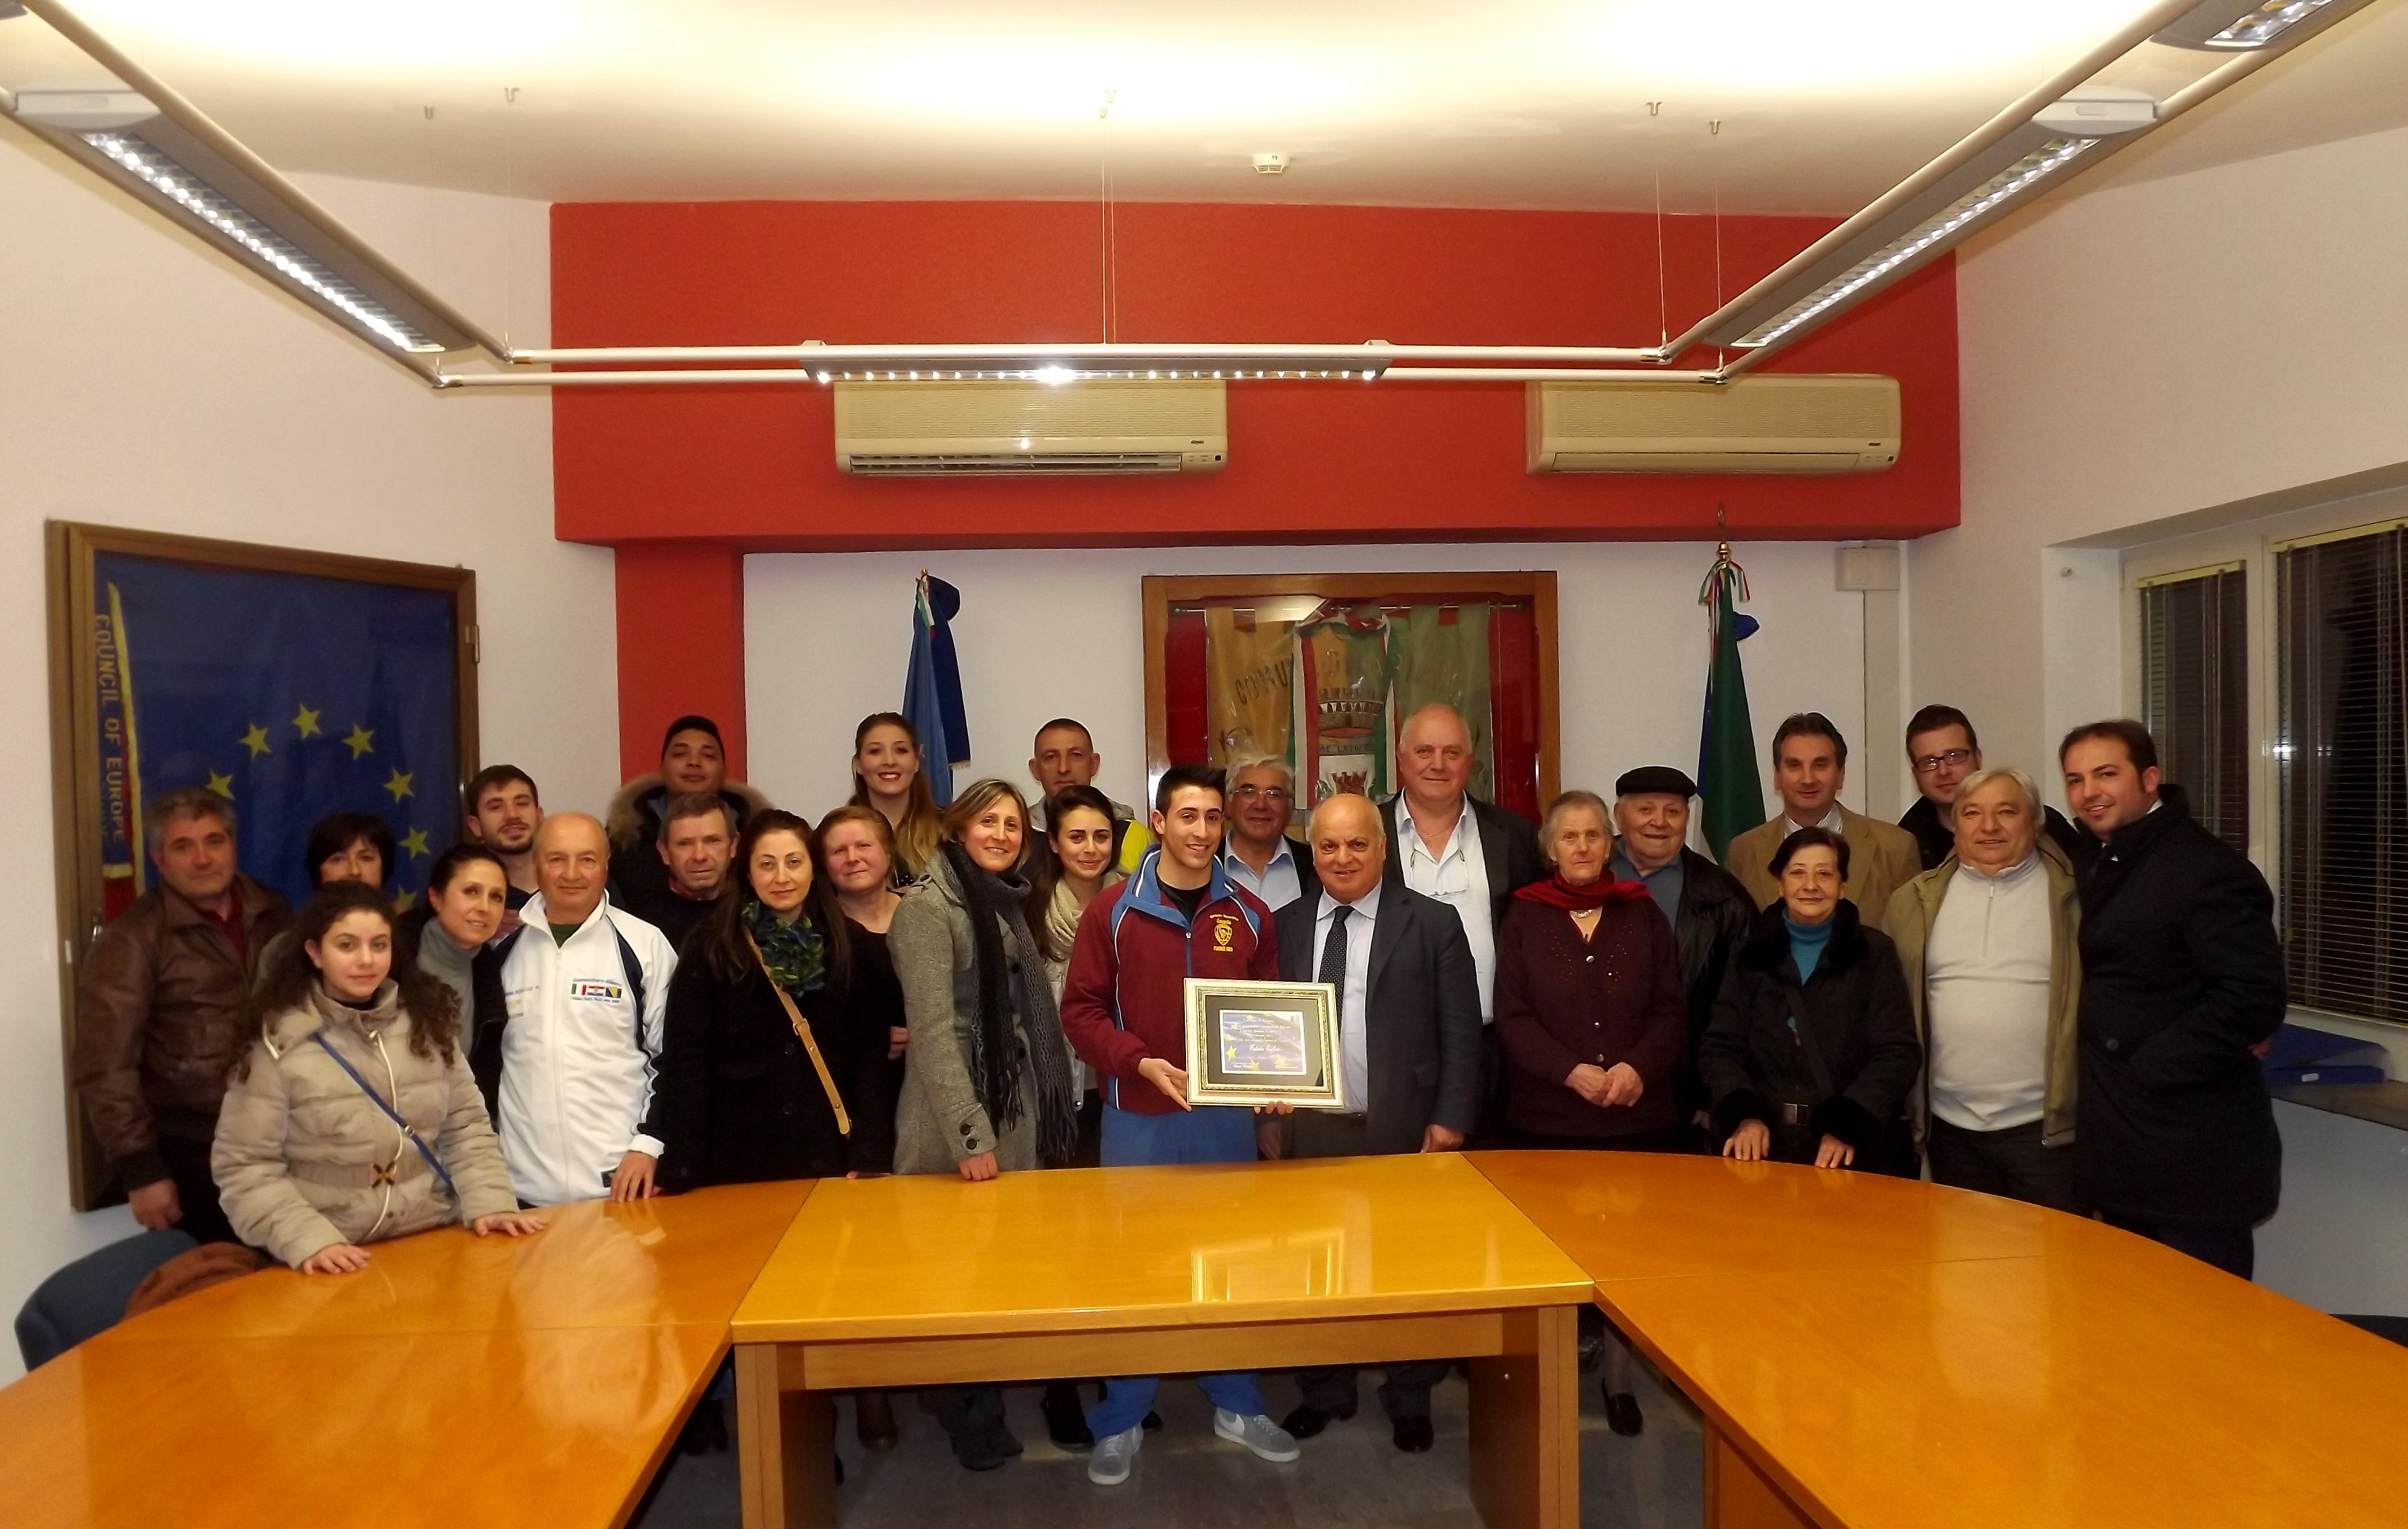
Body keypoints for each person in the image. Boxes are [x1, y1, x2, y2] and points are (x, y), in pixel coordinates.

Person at [1061, 764, 1301, 1486]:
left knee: (1235, 1263)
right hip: (1137, 1118)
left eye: (1212, 819)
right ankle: (1122, 1418)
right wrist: (1138, 1064)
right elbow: (1081, 1013)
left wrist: (1278, 1082)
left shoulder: (1252, 914)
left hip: (1223, 1121)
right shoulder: (1112, 913)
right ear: (1159, 823)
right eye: (1187, 817)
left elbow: (1269, 1019)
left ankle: (1237, 1402)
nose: (1201, 832)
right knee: (1134, 1272)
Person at [1271, 792, 1480, 1453]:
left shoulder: (1435, 923)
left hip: (1404, 1127)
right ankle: (1325, 1390)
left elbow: (1462, 1032)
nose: (1342, 858)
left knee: (1407, 1272)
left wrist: (1451, 1119)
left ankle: (1410, 1394)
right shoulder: (1285, 923)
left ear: (1384, 848)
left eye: (1357, 844)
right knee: (1315, 1273)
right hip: (1315, 1130)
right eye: (1328, 845)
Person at [888, 778, 1082, 1472]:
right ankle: (967, 1412)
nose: (1002, 834)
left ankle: (986, 1400)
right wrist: (971, 1139)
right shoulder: (926, 910)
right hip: (954, 1120)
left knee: (997, 1273)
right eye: (988, 822)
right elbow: (937, 1035)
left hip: (1011, 1101)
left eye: (1012, 824)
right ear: (957, 828)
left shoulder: (999, 902)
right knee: (955, 1282)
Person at [211, 881, 543, 1271]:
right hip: (333, 1257)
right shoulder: (274, 1044)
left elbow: (466, 1128)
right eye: (347, 945)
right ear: (315, 952)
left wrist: (491, 1203)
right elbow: (245, 1168)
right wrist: (309, 1241)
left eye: (379, 945)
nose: (366, 960)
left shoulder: (427, 1024)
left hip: (433, 1243)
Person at [1494, 788, 1690, 1436]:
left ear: (1611, 845)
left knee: (1626, 1265)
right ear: (1550, 850)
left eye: (1593, 836)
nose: (1582, 847)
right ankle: (1548, 1386)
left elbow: (1671, 1010)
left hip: (1637, 1119)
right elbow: (1513, 1016)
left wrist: (1636, 1068)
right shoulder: (1524, 916)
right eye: (1569, 837)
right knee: (1554, 1265)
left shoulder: (1642, 915)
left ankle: (1618, 1382)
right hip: (1550, 1120)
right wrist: (1569, 1072)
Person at [2060, 720, 2283, 1278]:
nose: (2090, 792)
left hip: (2193, 1155)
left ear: (2151, 779)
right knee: (2136, 1336)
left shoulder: (2206, 870)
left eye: (2107, 774)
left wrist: (2151, 1065)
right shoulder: (2098, 859)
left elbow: (2253, 995)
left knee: (2203, 1338)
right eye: (2076, 779)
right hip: (2124, 1154)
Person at [71, 787, 292, 1246]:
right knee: (220, 1293)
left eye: (214, 840)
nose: (203, 858)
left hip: (285, 1134)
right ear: (159, 859)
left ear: (233, 845)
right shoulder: (132, 939)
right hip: (194, 1149)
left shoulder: (274, 912)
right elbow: (104, 1066)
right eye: (183, 846)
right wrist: (141, 1170)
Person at [645, 808, 894, 1190]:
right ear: (747, 872)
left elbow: (869, 1061)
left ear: (814, 868)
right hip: (735, 1161)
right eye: (767, 864)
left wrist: (871, 1153)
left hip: (829, 1156)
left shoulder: (852, 944)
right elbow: (688, 1062)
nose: (782, 877)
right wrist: (679, 1165)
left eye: (794, 862)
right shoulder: (712, 946)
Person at [1885, 768, 2081, 1212]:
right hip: (1949, 1130)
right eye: (1972, 813)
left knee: (2054, 1272)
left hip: (2045, 1134)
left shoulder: (2076, 900)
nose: (1988, 827)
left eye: (2006, 812)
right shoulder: (1912, 902)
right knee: (1966, 1271)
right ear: (1955, 826)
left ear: (2034, 822)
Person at [1701, 828, 1922, 1175]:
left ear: (1843, 885)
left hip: (1847, 1154)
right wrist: (1746, 1118)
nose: (1811, 885)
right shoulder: (1749, 954)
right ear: (1780, 884)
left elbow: (1897, 1052)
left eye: (1824, 874)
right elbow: (1721, 1045)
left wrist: (1847, 1126)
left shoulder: (1874, 953)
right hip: (1760, 1148)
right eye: (1798, 873)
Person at [492, 813, 678, 1207]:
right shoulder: (502, 953)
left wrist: (649, 1145)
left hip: (622, 1190)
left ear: (606, 865)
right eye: (557, 859)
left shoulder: (645, 945)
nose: (572, 873)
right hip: (523, 1200)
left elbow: (676, 1061)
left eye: (587, 859)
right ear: (537, 863)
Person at [1378, 702, 1545, 1142]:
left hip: (1496, 1054)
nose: (1438, 764)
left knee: (1495, 1197)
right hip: (1393, 1059)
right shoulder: (1364, 836)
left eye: (1452, 752)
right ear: (1400, 759)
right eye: (1424, 751)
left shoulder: (1517, 837)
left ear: (1470, 762)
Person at [812, 804, 914, 1457]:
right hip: (852, 1105)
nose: (853, 858)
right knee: (861, 1258)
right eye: (838, 850)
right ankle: (867, 1389)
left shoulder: (924, 914)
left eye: (863, 846)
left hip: (925, 1097)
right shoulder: (816, 932)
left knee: (923, 1247)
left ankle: (930, 1374)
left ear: (887, 851)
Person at [1608, 767, 1755, 1147]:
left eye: (1673, 812)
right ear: (1618, 815)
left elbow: (1740, 1008)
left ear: (1687, 819)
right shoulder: (1578, 874)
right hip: (1589, 1089)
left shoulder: (1724, 899)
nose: (1659, 822)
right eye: (1646, 810)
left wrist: (1713, 1094)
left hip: (1681, 1099)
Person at [1722, 713, 1922, 933]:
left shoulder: (1895, 848)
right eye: (1794, 765)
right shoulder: (1743, 851)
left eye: (1820, 765)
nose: (1808, 779)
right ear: (1777, 776)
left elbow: (1910, 946)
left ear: (1840, 775)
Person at [1026, 784, 1128, 1170]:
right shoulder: (1027, 904)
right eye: (1076, 837)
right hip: (1046, 1084)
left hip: (1116, 1080)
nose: (1090, 849)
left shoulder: (1134, 901)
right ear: (1053, 842)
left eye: (1101, 837)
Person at [608, 715, 768, 911]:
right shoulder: (623, 840)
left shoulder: (758, 839)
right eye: (680, 754)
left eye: (708, 755)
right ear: (662, 768)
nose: (694, 762)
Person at [396, 843, 512, 1116]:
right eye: (471, 891)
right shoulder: (389, 956)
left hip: (454, 1133)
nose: (484, 907)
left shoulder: (490, 972)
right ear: (436, 898)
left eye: (496, 897)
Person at [1898, 705, 2082, 872]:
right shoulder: (1904, 843)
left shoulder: (2044, 823)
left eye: (1954, 756)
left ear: (1978, 758)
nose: (1943, 771)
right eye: (1929, 762)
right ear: (1915, 775)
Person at [1028, 718, 1152, 873]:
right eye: (1051, 757)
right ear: (1035, 769)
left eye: (1076, 755)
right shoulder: (1018, 834)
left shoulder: (1133, 835)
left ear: (1094, 764)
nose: (1063, 768)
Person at [621, 793, 737, 954]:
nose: (699, 856)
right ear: (665, 852)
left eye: (712, 841)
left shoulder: (757, 916)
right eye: (685, 844)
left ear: (733, 846)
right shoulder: (641, 925)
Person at [1219, 752, 1320, 911]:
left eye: (1274, 795)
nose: (1261, 805)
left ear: (1289, 809)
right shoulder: (1205, 863)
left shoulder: (1316, 865)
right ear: (1228, 804)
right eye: (1249, 792)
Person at [850, 712, 942, 883]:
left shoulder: (948, 831)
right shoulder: (837, 835)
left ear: (916, 762)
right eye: (875, 751)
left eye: (901, 750)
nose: (890, 761)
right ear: (859, 765)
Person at [463, 765, 544, 915]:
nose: (512, 815)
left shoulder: (574, 880)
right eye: (496, 807)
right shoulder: (463, 895)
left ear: (539, 816)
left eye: (521, 803)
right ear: (476, 826)